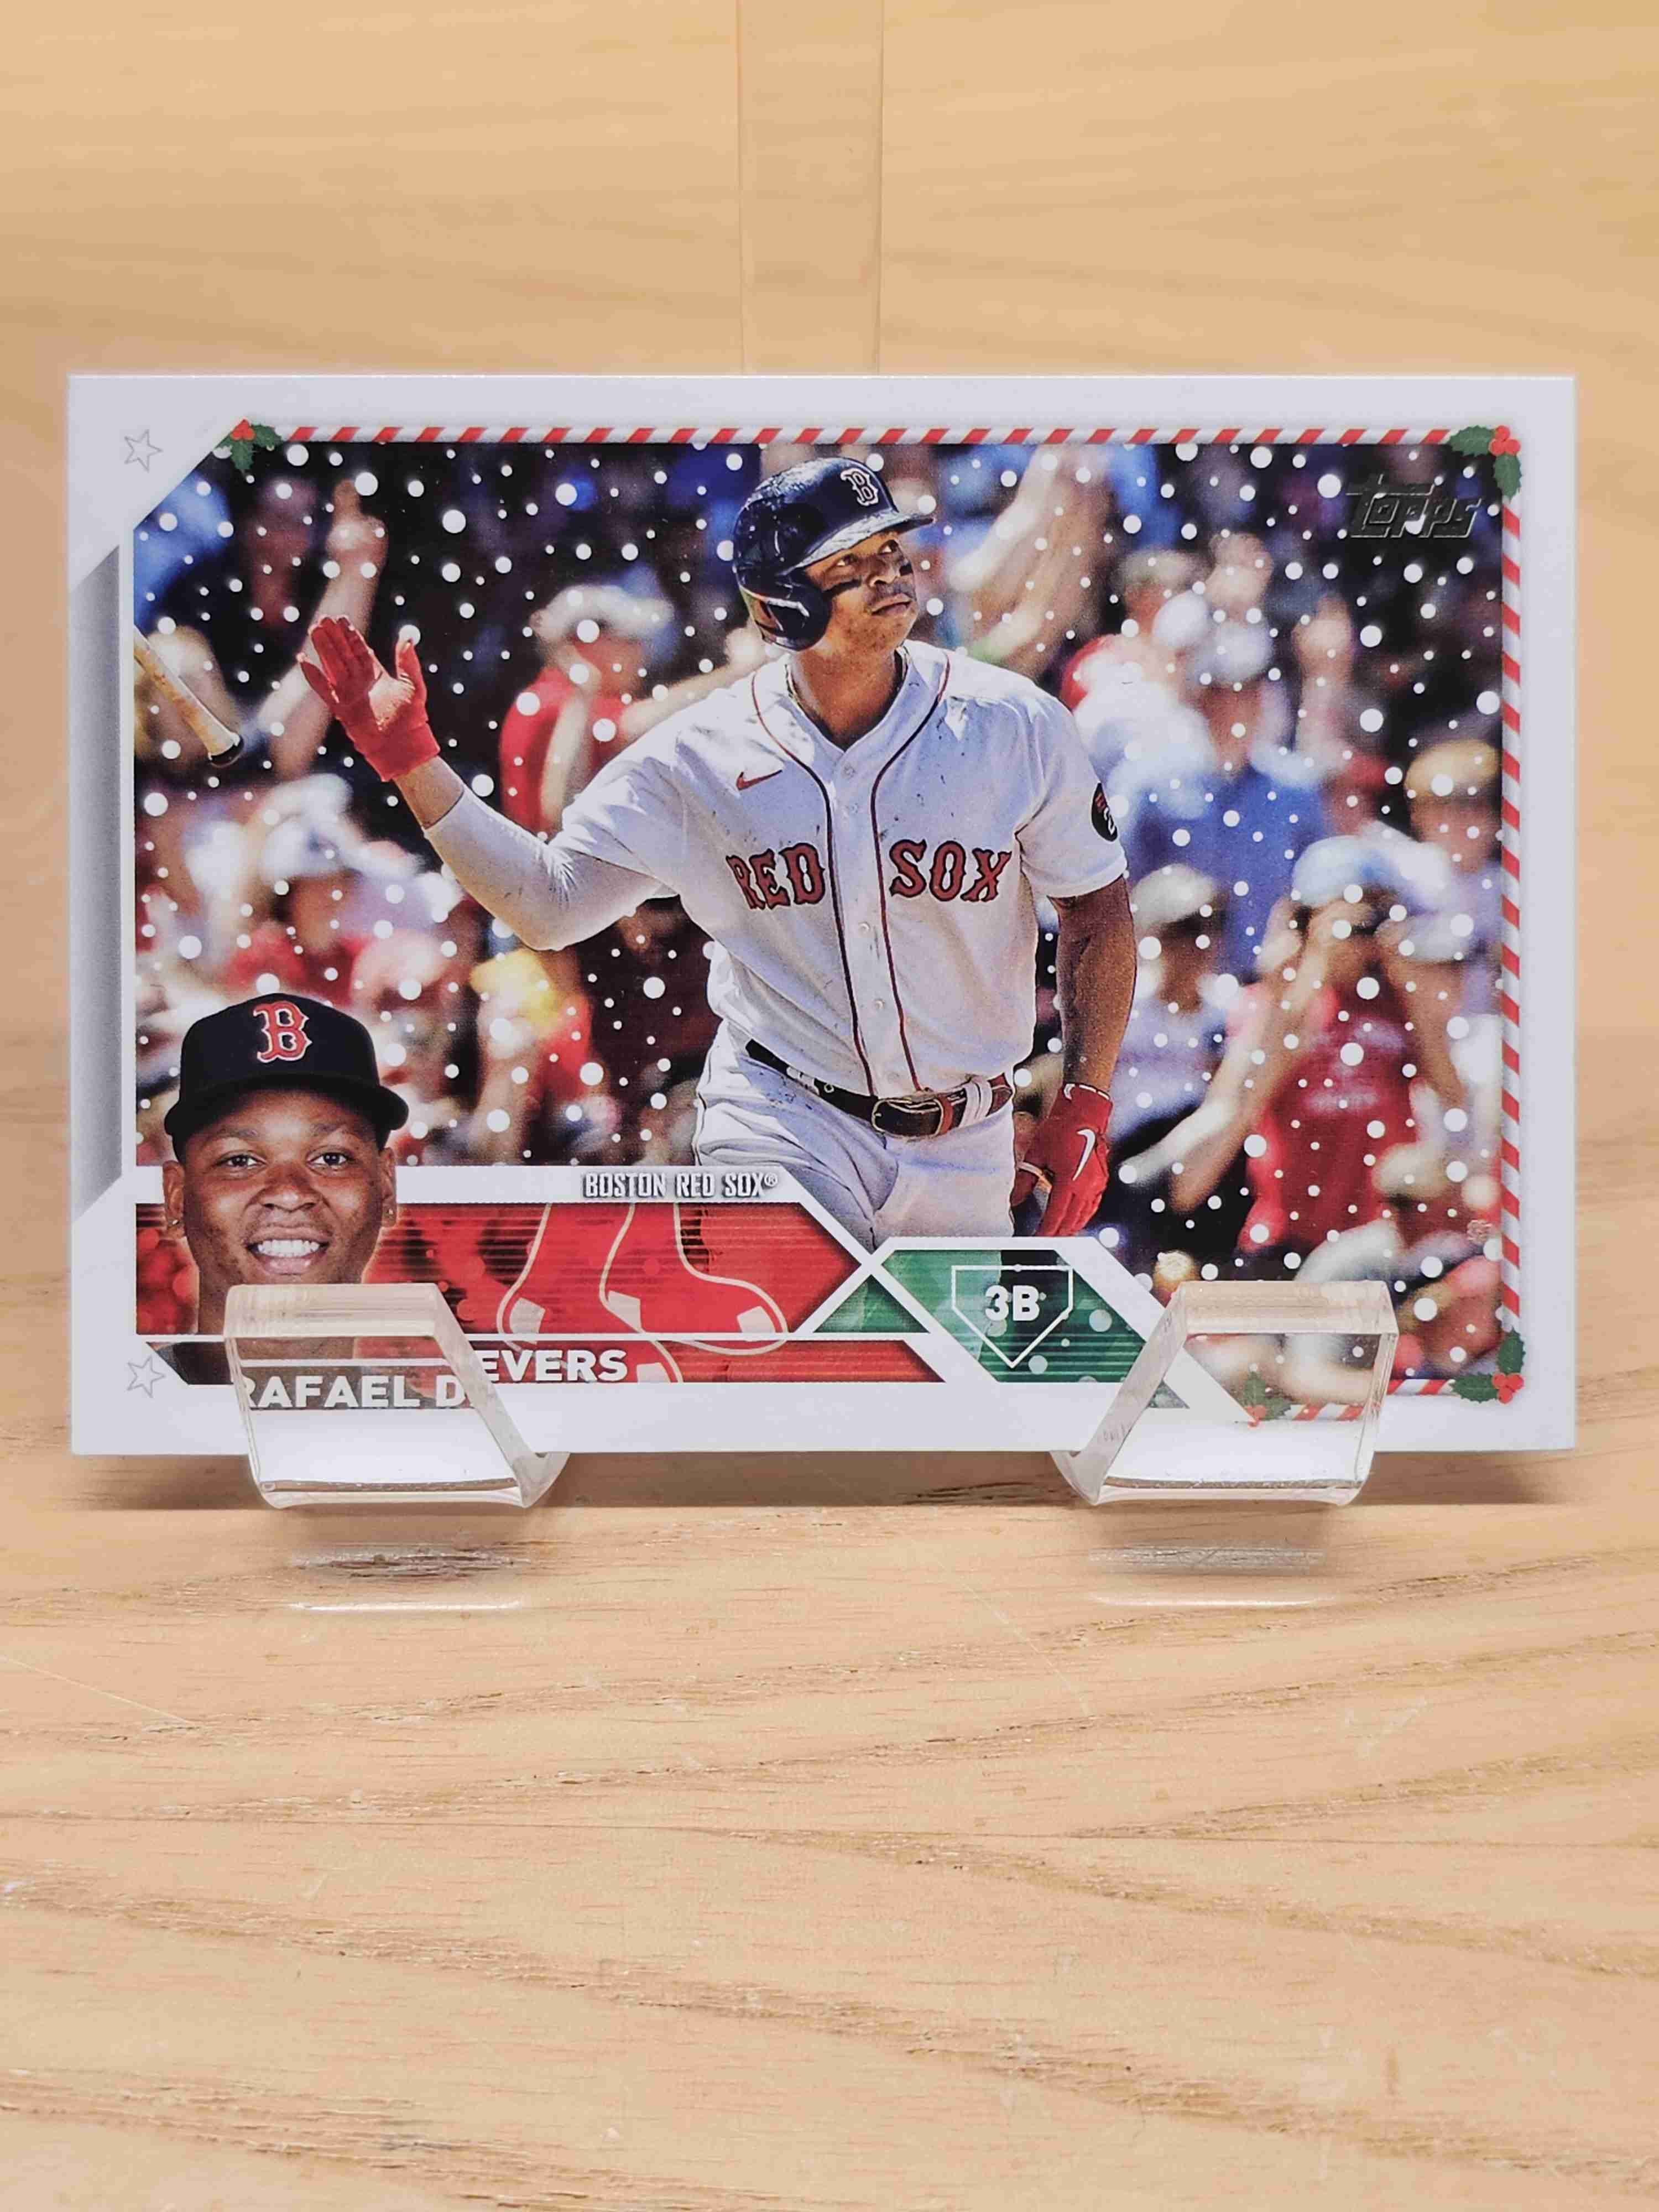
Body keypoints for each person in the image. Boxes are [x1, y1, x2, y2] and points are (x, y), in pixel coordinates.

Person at [301, 457, 1136, 1246]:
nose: (889, 574)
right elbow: (548, 906)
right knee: (804, 1343)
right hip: (785, 1117)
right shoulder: (699, 753)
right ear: (781, 605)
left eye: (891, 550)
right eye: (851, 563)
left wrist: (1086, 1095)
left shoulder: (1010, 724)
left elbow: (1097, 907)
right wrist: (413, 765)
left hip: (969, 1134)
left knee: (934, 1356)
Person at [158, 993, 406, 1380]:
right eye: (240, 1161)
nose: (289, 1194)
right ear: (176, 1200)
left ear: (386, 1189)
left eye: (332, 1158)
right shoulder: (108, 1411)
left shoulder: (437, 1419)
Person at [1115, 621, 1321, 978]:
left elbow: (1317, 885)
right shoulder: (1148, 782)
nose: (1238, 704)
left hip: (1265, 983)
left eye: (1250, 691)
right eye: (1224, 692)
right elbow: (1117, 884)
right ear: (1199, 698)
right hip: (1173, 986)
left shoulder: (1295, 788)